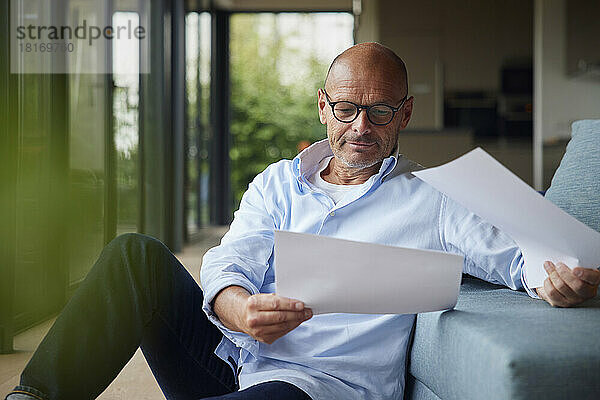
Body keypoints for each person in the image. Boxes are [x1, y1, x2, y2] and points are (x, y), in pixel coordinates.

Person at [6, 42, 599, 400]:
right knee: (132, 254)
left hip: (318, 386)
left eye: (380, 111)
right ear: (324, 105)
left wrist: (554, 278)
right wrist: (236, 306)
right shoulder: (277, 182)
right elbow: (229, 258)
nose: (361, 127)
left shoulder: (435, 199)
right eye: (346, 109)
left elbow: (518, 255)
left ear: (406, 112)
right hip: (231, 357)